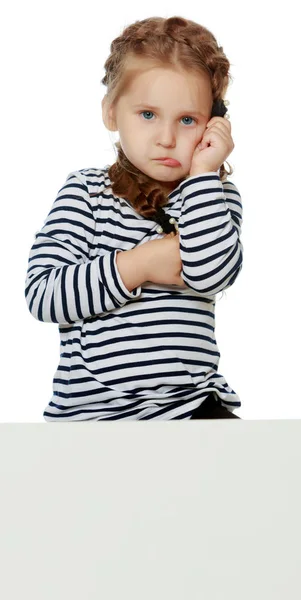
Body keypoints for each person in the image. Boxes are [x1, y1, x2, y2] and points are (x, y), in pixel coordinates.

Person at [24, 15, 243, 421]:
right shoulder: (87, 193)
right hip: (93, 417)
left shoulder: (212, 195)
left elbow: (213, 273)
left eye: (188, 120)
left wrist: (203, 173)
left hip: (190, 409)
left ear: (214, 122)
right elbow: (44, 295)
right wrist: (140, 264)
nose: (166, 137)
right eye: (147, 114)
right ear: (111, 112)